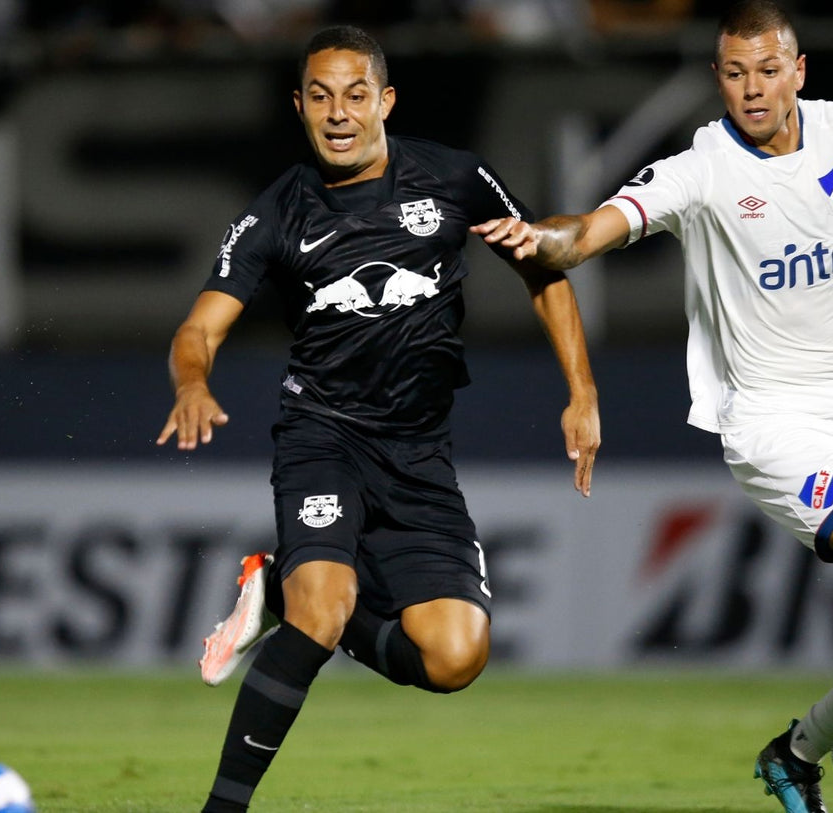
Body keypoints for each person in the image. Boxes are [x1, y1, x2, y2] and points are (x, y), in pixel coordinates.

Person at [472, 2, 833, 812]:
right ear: (717, 78)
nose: (750, 89)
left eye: (765, 70)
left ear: (798, 70)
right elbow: (586, 233)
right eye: (732, 73)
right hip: (771, 418)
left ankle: (797, 754)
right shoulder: (701, 169)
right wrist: (540, 240)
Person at [156, 24, 601, 812]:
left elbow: (543, 266)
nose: (338, 113)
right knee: (320, 613)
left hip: (419, 453)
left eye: (355, 94)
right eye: (319, 96)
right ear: (298, 106)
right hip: (321, 435)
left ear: (384, 100)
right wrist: (193, 381)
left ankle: (273, 588)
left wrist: (582, 390)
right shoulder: (276, 214)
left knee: (454, 656)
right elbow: (198, 328)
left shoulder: (456, 178)